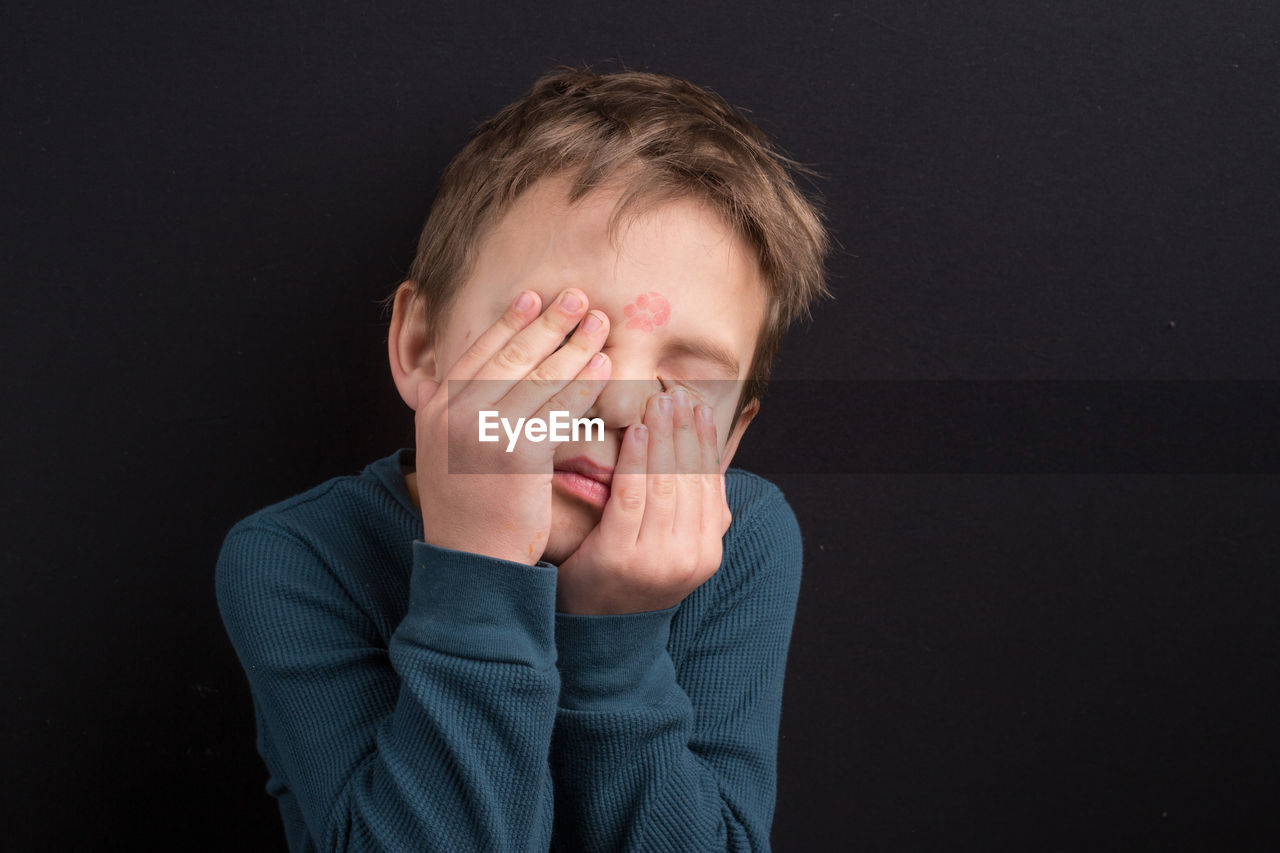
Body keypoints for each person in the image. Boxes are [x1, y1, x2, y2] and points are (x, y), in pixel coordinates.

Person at [216, 65, 830, 851]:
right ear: (421, 346)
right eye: (564, 340)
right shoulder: (295, 559)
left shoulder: (739, 543)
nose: (614, 404)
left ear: (730, 440)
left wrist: (616, 636)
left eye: (683, 381)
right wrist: (478, 567)